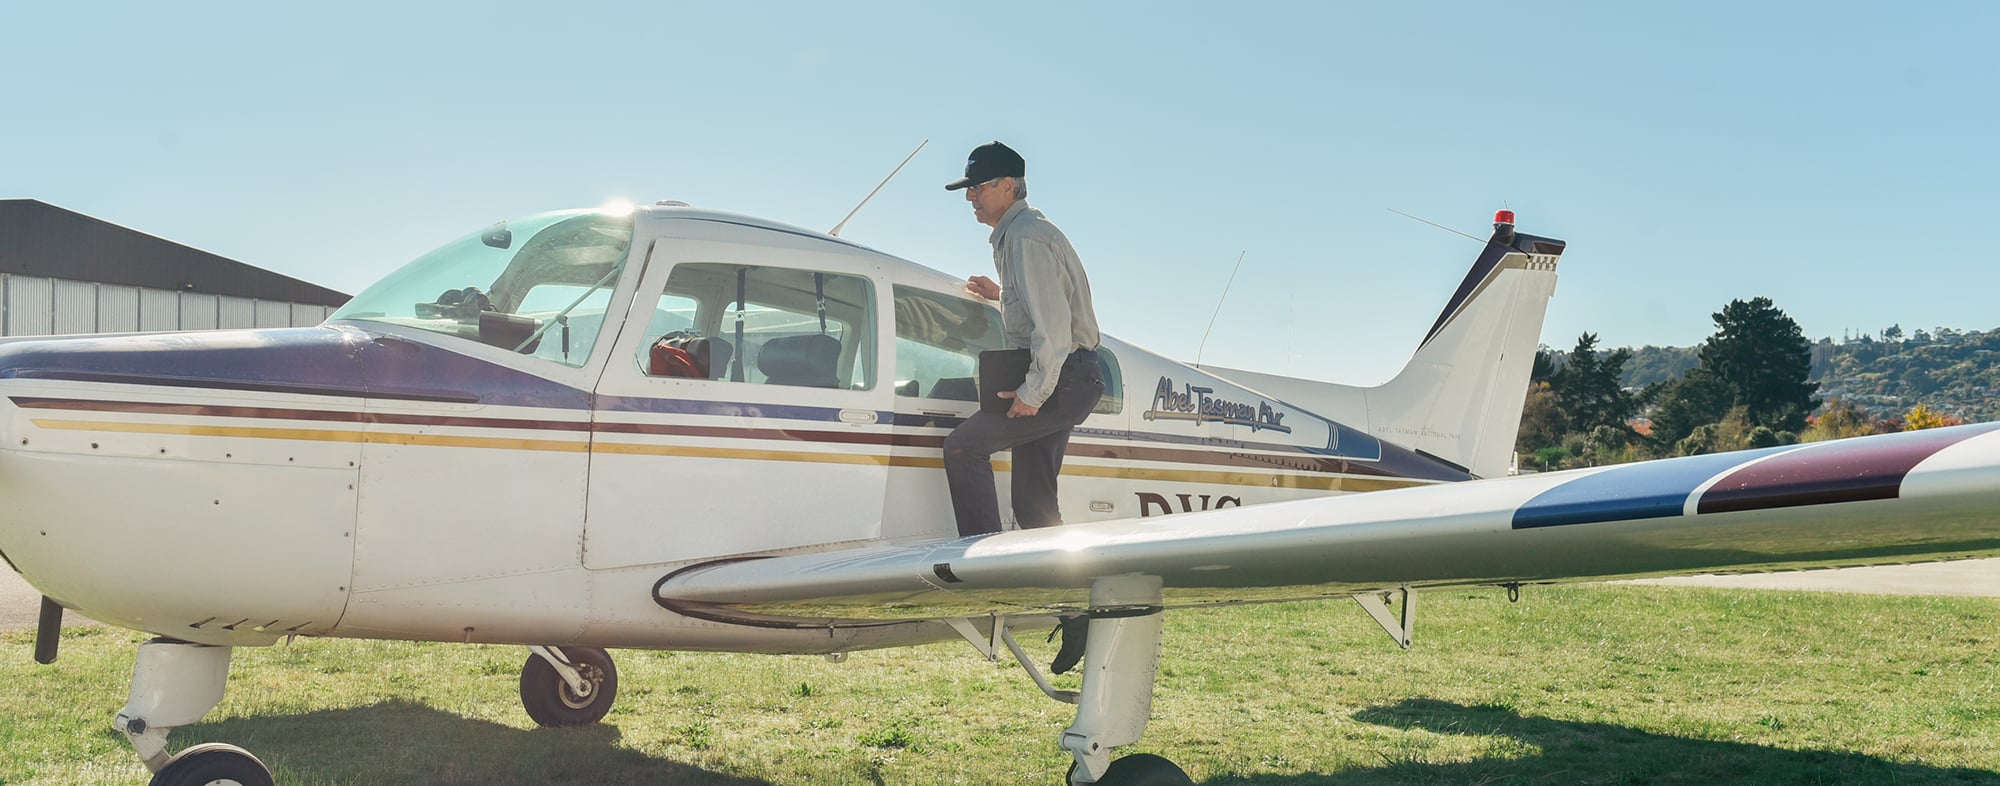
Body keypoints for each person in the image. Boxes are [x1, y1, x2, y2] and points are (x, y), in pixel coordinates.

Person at [941, 141, 1104, 539]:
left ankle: (986, 567)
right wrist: (1003, 295)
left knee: (964, 447)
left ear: (1008, 187)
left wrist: (1033, 392)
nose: (970, 196)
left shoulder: (1026, 238)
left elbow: (1053, 329)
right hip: (1069, 378)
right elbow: (1044, 306)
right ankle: (1054, 588)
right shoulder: (1022, 234)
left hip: (1062, 379)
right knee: (1034, 503)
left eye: (978, 186)